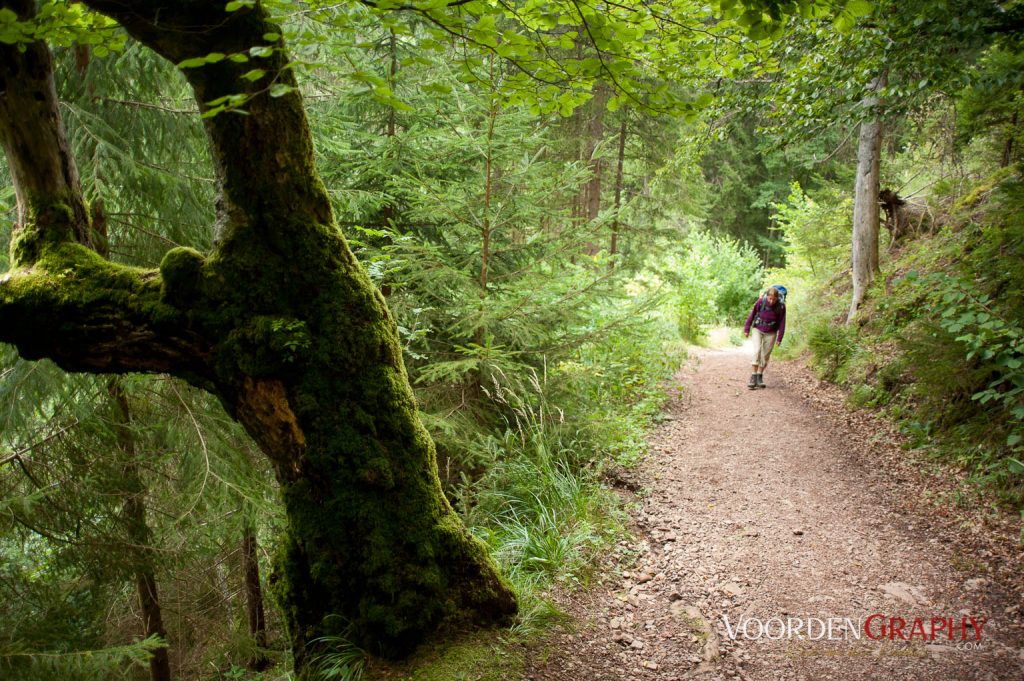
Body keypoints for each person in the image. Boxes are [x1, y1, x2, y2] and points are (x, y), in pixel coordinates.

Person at [743, 286, 786, 389]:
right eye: (770, 299)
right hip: (757, 329)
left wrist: (780, 338)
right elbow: (752, 314)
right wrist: (747, 328)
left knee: (765, 355)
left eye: (774, 299)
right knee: (757, 350)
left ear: (777, 298)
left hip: (771, 332)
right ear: (767, 296)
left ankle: (759, 376)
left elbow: (782, 323)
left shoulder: (781, 306)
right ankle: (753, 376)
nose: (771, 301)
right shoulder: (761, 301)